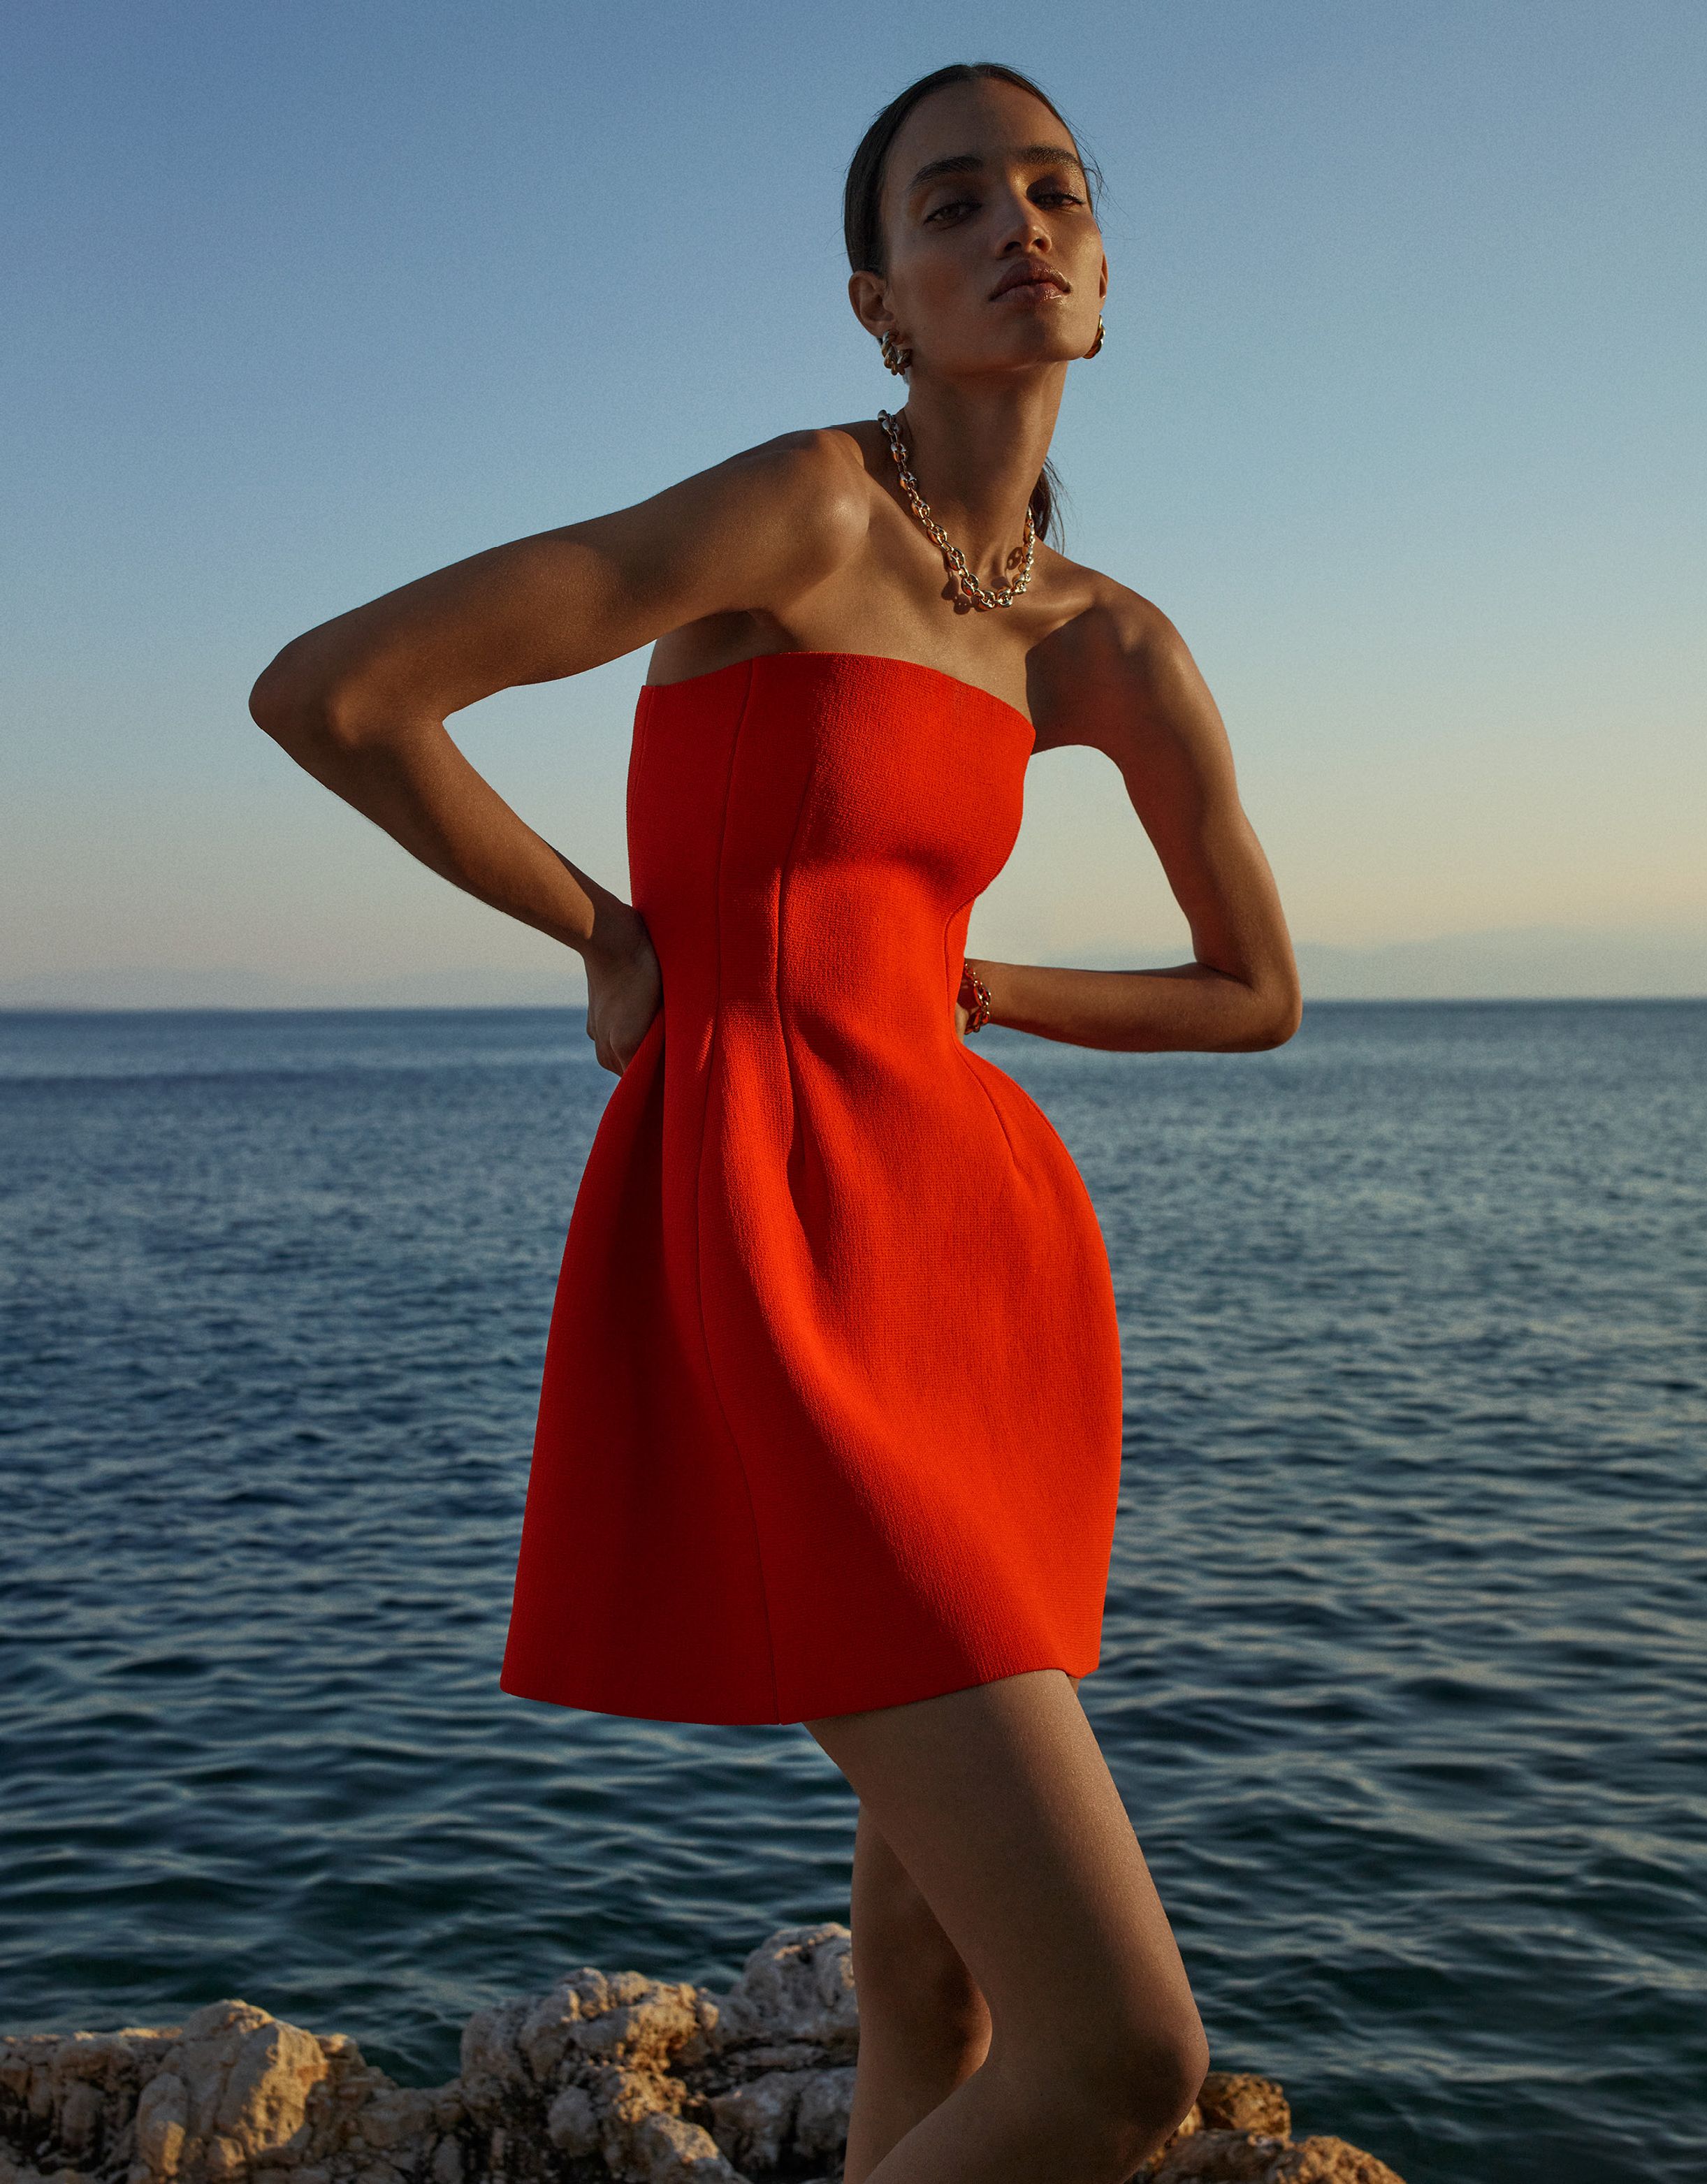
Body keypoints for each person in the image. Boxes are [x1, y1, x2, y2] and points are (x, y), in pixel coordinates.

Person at [251, 58, 1299, 2184]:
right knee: (1123, 2065)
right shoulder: (803, 509)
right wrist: (612, 935)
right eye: (950, 204)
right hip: (770, 1227)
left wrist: (987, 986)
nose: (1017, 224)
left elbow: (1252, 993)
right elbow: (341, 693)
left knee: (938, 1976)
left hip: (978, 1262)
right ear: (874, 297)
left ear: (1099, 272)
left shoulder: (1113, 646)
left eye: (1053, 190)